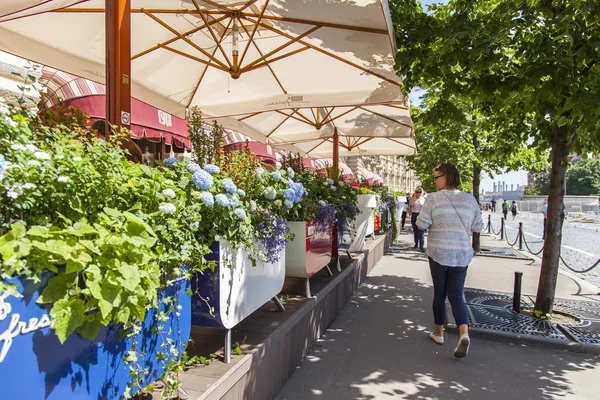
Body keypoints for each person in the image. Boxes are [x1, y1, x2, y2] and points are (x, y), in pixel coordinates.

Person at [417, 163, 483, 359]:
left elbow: (421, 224)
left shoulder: (433, 199)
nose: (434, 181)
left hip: (439, 252)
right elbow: (478, 225)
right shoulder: (470, 199)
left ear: (445, 177)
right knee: (456, 294)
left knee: (439, 293)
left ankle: (439, 333)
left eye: (436, 177)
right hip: (461, 254)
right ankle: (464, 333)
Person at [410, 187, 425, 251]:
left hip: (421, 215)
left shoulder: (423, 199)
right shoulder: (413, 198)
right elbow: (411, 204)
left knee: (421, 231)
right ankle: (416, 243)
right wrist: (413, 197)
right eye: (417, 192)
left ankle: (421, 246)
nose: (419, 193)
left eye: (420, 192)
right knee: (415, 230)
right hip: (414, 215)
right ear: (415, 192)